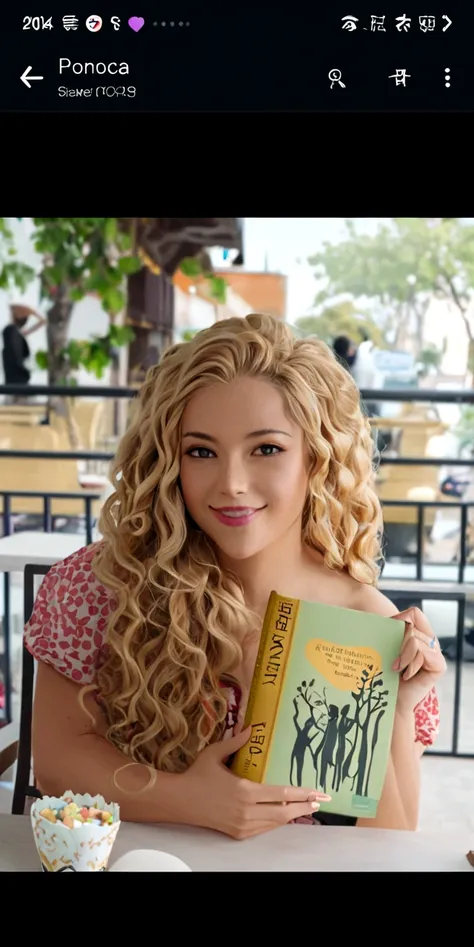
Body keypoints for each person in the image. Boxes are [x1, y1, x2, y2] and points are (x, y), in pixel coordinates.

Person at [24, 314, 445, 839]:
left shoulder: (365, 624)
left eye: (266, 449)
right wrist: (191, 800)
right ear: (168, 462)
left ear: (317, 458)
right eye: (201, 451)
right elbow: (58, 763)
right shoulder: (100, 585)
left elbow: (387, 844)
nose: (232, 484)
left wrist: (394, 711)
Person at [2, 304, 46, 401]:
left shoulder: (11, 332)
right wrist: (32, 312)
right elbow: (43, 321)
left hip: (14, 381)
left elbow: (43, 321)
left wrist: (28, 311)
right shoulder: (17, 335)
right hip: (19, 381)